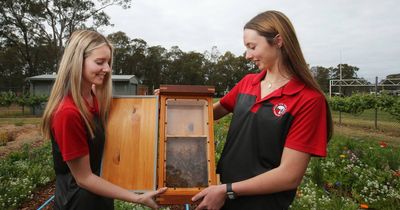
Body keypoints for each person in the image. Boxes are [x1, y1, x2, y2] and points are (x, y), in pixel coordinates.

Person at [192, 10, 333, 210]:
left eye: (252, 47)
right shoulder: (248, 83)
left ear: (278, 41)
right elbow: (208, 115)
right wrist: (168, 106)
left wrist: (227, 190)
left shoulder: (308, 100)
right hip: (220, 197)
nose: (248, 55)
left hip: (261, 203)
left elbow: (289, 175)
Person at [41, 30, 167, 210]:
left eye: (108, 62)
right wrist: (137, 198)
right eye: (99, 62)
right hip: (78, 201)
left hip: (100, 193)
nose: (107, 69)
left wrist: (155, 106)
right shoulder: (68, 113)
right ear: (77, 62)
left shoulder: (93, 97)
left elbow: (125, 120)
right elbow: (84, 179)